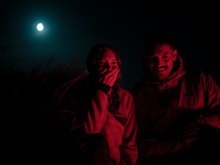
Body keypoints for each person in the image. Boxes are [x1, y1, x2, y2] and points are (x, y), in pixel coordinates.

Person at [132, 33, 220, 164]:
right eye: (153, 58)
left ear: (174, 56)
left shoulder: (199, 80)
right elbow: (137, 143)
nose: (159, 63)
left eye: (165, 57)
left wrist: (203, 121)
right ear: (145, 59)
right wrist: (177, 141)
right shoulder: (138, 96)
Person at [58, 43, 138, 165]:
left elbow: (129, 143)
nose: (109, 68)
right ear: (92, 67)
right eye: (102, 64)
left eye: (113, 64)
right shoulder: (80, 94)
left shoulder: (125, 98)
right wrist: (102, 91)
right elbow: (91, 131)